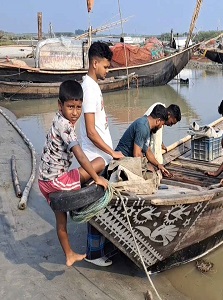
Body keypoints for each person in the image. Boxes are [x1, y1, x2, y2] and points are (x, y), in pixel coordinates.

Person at [37, 80, 108, 267]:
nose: (75, 112)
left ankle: (69, 255)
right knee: (100, 162)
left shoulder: (57, 119)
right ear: (60, 105)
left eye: (78, 107)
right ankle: (87, 193)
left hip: (43, 181)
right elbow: (80, 155)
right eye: (70, 107)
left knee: (61, 223)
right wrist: (96, 178)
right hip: (56, 182)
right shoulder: (66, 126)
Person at [80, 41, 124, 267]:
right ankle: (94, 254)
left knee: (100, 205)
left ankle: (100, 248)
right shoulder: (88, 89)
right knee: (95, 207)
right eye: (106, 67)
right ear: (95, 63)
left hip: (101, 156)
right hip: (94, 158)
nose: (107, 71)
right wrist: (112, 152)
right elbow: (89, 131)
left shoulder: (93, 86)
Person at [115, 104, 172, 177]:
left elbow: (147, 151)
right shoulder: (143, 127)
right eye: (162, 124)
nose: (161, 127)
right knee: (151, 175)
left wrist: (158, 165)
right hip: (123, 160)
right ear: (158, 121)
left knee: (153, 171)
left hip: (131, 159)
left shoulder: (148, 126)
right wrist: (147, 167)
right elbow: (137, 154)